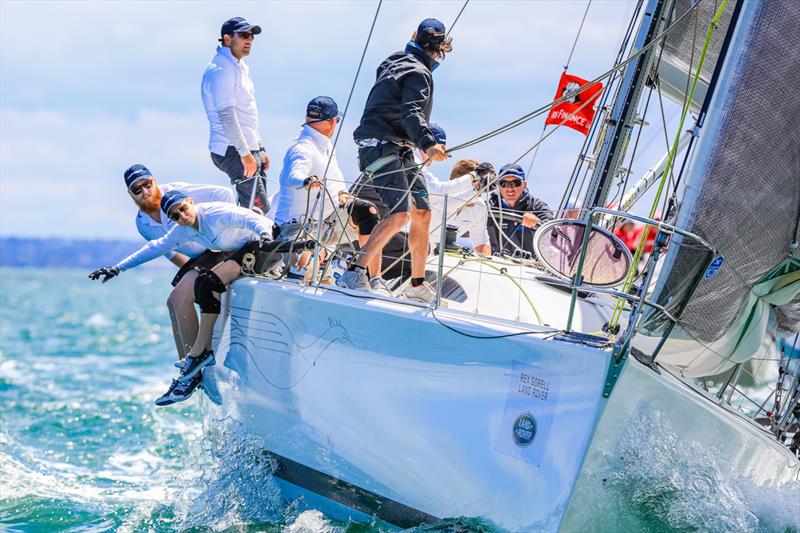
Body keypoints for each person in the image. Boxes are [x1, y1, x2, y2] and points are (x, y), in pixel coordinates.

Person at [89, 190, 274, 406]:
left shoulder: (214, 213)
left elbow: (254, 220)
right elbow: (154, 247)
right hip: (240, 255)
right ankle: (199, 358)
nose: (182, 216)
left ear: (190, 202)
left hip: (263, 249)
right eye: (176, 216)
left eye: (183, 209)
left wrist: (266, 237)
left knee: (209, 283)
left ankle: (200, 354)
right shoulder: (184, 229)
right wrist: (117, 268)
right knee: (205, 284)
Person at [342, 18, 452, 304]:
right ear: (440, 48)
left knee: (422, 210)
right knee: (400, 214)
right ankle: (355, 271)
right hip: (380, 148)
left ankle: (416, 284)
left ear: (414, 36)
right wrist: (428, 145)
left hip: (396, 147)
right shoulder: (419, 73)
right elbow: (411, 113)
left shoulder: (394, 61)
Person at [122, 164, 236, 359]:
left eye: (147, 184)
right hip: (200, 259)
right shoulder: (143, 224)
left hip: (219, 248)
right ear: (130, 194)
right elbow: (171, 254)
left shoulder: (177, 192)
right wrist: (194, 277)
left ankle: (196, 360)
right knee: (172, 302)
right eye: (137, 189)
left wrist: (220, 233)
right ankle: (185, 364)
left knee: (179, 297)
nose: (144, 191)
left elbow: (225, 193)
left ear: (154, 181)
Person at [273, 96, 380, 285]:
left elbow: (336, 177)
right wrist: (306, 181)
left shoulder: (325, 145)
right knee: (305, 268)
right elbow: (294, 175)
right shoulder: (302, 147)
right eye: (337, 121)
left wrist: (343, 194)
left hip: (326, 223)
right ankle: (313, 267)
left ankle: (369, 278)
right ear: (332, 122)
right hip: (295, 228)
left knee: (366, 212)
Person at [201, 16, 270, 211]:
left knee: (258, 208)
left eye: (251, 36)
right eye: (243, 35)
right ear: (227, 38)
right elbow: (228, 117)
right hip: (231, 148)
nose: (249, 40)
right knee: (258, 208)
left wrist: (260, 147)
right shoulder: (221, 70)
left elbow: (246, 113)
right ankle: (253, 241)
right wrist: (245, 153)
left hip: (247, 146)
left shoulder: (240, 68)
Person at [419, 124, 492, 256]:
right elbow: (444, 201)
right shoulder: (418, 170)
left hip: (444, 261)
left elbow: (482, 243)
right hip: (417, 254)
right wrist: (475, 187)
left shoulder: (479, 207)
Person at [487, 164, 554, 257]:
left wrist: (537, 223)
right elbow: (465, 231)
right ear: (498, 186)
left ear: (524, 185)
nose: (510, 188)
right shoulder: (489, 206)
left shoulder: (538, 206)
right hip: (494, 264)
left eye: (515, 183)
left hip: (531, 267)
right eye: (504, 184)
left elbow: (552, 232)